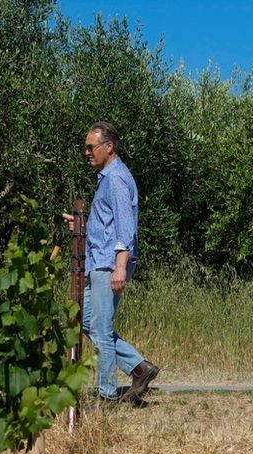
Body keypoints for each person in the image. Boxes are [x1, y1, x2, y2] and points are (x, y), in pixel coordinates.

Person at [62, 121, 159, 405]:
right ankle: (140, 367)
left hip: (108, 264)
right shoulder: (108, 177)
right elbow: (108, 223)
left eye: (91, 147)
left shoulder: (116, 178)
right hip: (100, 262)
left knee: (101, 329)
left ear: (109, 147)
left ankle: (106, 395)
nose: (87, 152)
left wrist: (120, 266)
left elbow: (125, 228)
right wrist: (84, 225)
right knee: (90, 322)